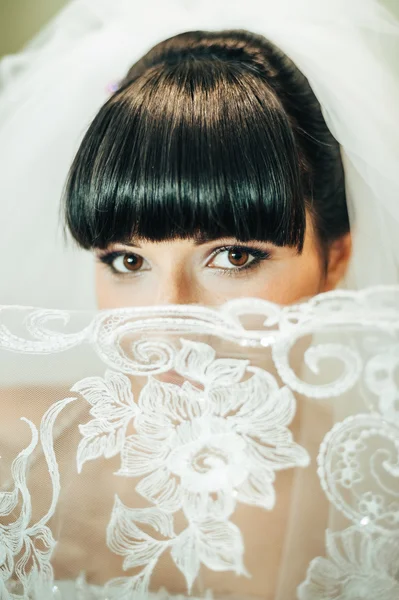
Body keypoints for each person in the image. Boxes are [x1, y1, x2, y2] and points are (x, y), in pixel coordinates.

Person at [0, 2, 398, 600]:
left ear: (334, 259)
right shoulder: (19, 460)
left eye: (235, 256)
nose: (169, 321)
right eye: (128, 261)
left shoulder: (381, 500)